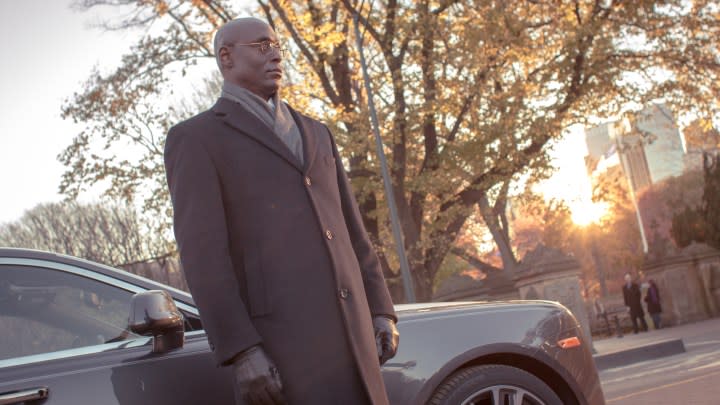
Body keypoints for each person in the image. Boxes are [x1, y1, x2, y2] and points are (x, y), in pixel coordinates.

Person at [164, 17, 399, 405]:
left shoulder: (318, 132)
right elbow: (203, 258)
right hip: (282, 353)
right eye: (260, 46)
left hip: (358, 344)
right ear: (226, 58)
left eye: (276, 45)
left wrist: (381, 310)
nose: (275, 53)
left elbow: (352, 231)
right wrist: (241, 351)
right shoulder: (196, 139)